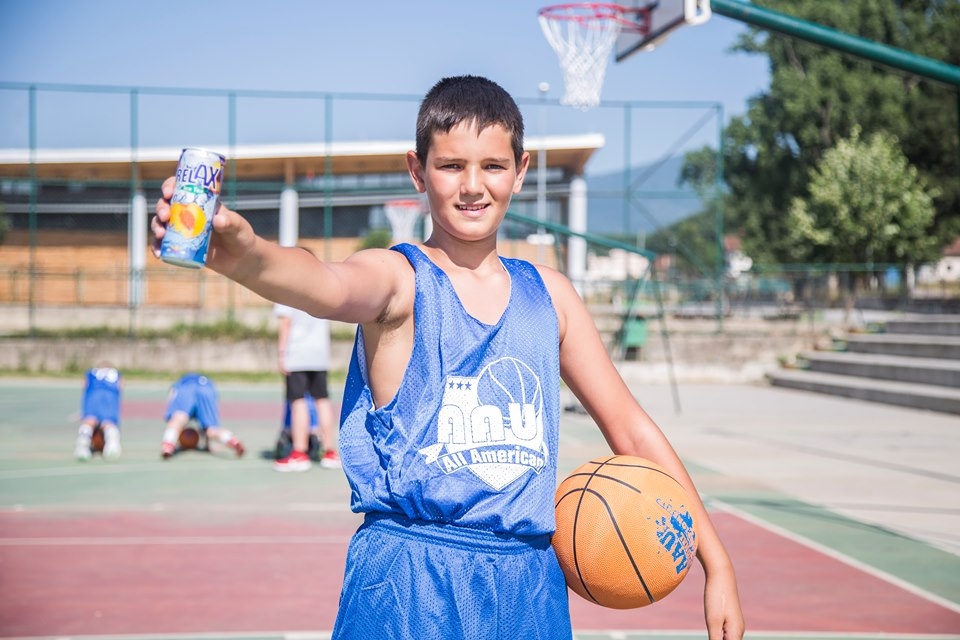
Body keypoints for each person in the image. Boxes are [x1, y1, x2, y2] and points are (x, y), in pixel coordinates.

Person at [152, 75, 743, 640]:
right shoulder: (400, 281)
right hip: (411, 583)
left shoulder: (552, 297)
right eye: (451, 165)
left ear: (521, 171)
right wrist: (246, 254)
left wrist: (716, 564)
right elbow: (326, 283)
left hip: (528, 587)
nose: (472, 185)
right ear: (418, 171)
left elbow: (633, 430)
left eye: (492, 166)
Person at [274, 257, 341, 472]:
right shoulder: (322, 287)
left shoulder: (287, 288)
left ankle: (299, 453)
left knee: (298, 402)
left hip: (297, 354)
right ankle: (330, 451)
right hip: (319, 354)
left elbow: (286, 322)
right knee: (322, 400)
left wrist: (282, 353)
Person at [159, 373, 245, 459]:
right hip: (208, 387)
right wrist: (208, 445)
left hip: (187, 386)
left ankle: (168, 444)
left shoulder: (178, 385)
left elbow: (172, 399)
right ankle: (230, 439)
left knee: (178, 418)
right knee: (211, 429)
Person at [75, 362, 123, 460]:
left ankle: (82, 448)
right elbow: (120, 386)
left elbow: (84, 384)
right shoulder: (117, 374)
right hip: (109, 399)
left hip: (93, 397)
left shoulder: (91, 373)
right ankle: (112, 447)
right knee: (108, 423)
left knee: (89, 421)